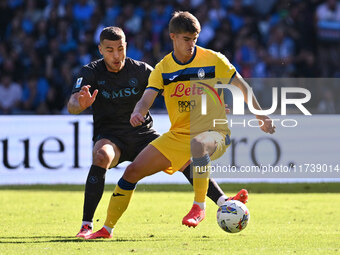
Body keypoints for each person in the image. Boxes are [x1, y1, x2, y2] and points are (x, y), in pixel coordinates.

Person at [87, 12, 274, 240]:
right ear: (173, 37)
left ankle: (199, 207)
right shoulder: (163, 68)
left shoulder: (214, 59)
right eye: (186, 39)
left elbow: (243, 86)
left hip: (214, 132)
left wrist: (260, 114)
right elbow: (147, 97)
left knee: (198, 145)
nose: (191, 44)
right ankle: (106, 229)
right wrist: (138, 111)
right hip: (177, 136)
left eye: (194, 39)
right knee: (131, 173)